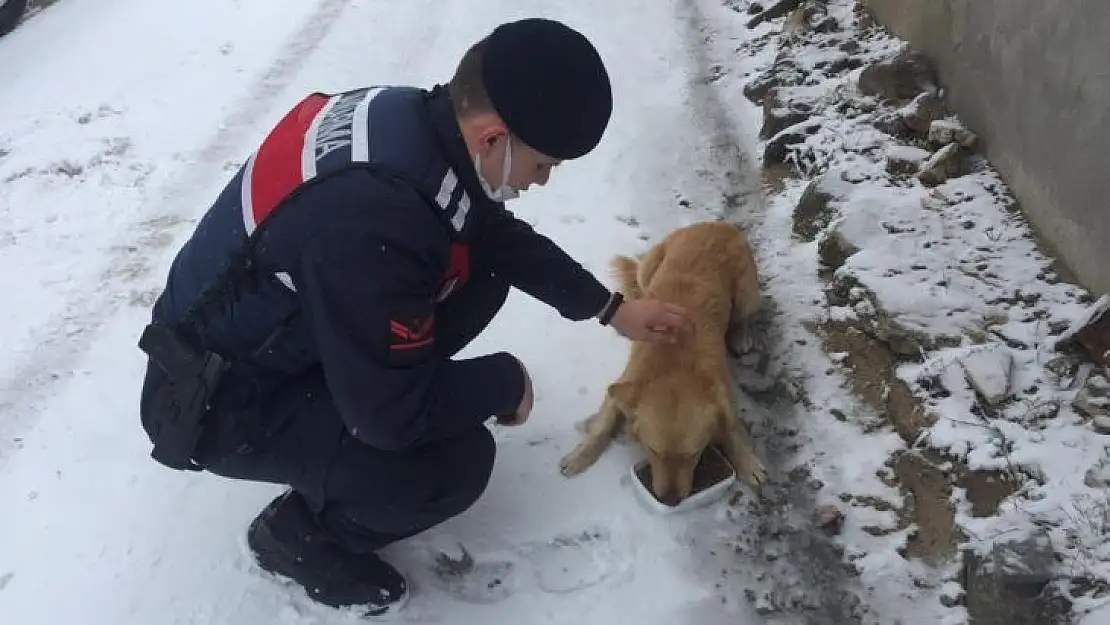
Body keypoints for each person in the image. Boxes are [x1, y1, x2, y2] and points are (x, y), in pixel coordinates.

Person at [137, 17, 687, 618]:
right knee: (452, 465)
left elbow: (490, 233)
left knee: (477, 271)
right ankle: (299, 537)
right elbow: (388, 418)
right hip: (212, 403)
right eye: (544, 164)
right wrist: (503, 381)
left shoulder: (415, 121)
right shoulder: (376, 220)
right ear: (493, 138)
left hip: (268, 330)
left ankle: (364, 382)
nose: (543, 181)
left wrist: (610, 308)